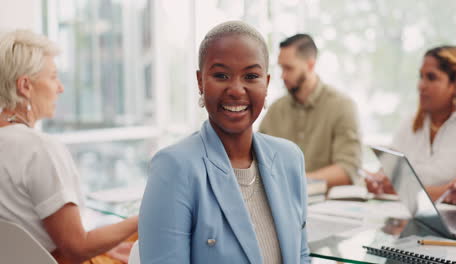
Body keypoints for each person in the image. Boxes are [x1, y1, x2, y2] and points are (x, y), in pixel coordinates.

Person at [139, 21, 310, 264]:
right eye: (221, 75)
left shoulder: (289, 158)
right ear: (200, 82)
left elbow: (301, 256)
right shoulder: (174, 167)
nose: (236, 90)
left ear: (267, 83)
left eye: (251, 76)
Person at [0, 30, 138, 264]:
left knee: (127, 247)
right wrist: (142, 218)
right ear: (25, 85)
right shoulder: (39, 148)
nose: (60, 87)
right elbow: (78, 247)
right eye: (53, 77)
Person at [259, 34, 361, 189]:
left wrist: (297, 182)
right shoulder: (275, 110)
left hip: (328, 207)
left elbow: (347, 170)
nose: (283, 75)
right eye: (281, 68)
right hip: (281, 203)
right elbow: (257, 161)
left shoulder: (342, 106)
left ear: (310, 65)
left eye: (289, 68)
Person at [366, 45, 456, 201]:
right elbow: (387, 174)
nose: (421, 85)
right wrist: (377, 181)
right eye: (421, 76)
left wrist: (402, 190)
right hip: (408, 215)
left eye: (431, 77)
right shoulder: (409, 123)